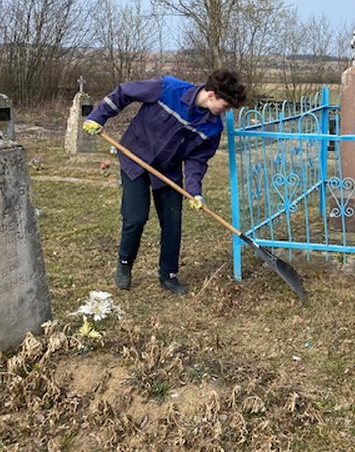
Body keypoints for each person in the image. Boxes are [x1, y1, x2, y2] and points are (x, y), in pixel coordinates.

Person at [82, 69, 247, 296]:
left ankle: (168, 275)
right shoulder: (168, 88)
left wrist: (195, 192)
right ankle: (124, 263)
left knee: (172, 222)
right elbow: (125, 92)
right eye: (226, 106)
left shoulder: (213, 127)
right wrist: (97, 117)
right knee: (135, 217)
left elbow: (197, 161)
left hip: (168, 170)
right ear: (211, 95)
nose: (226, 111)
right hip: (135, 157)